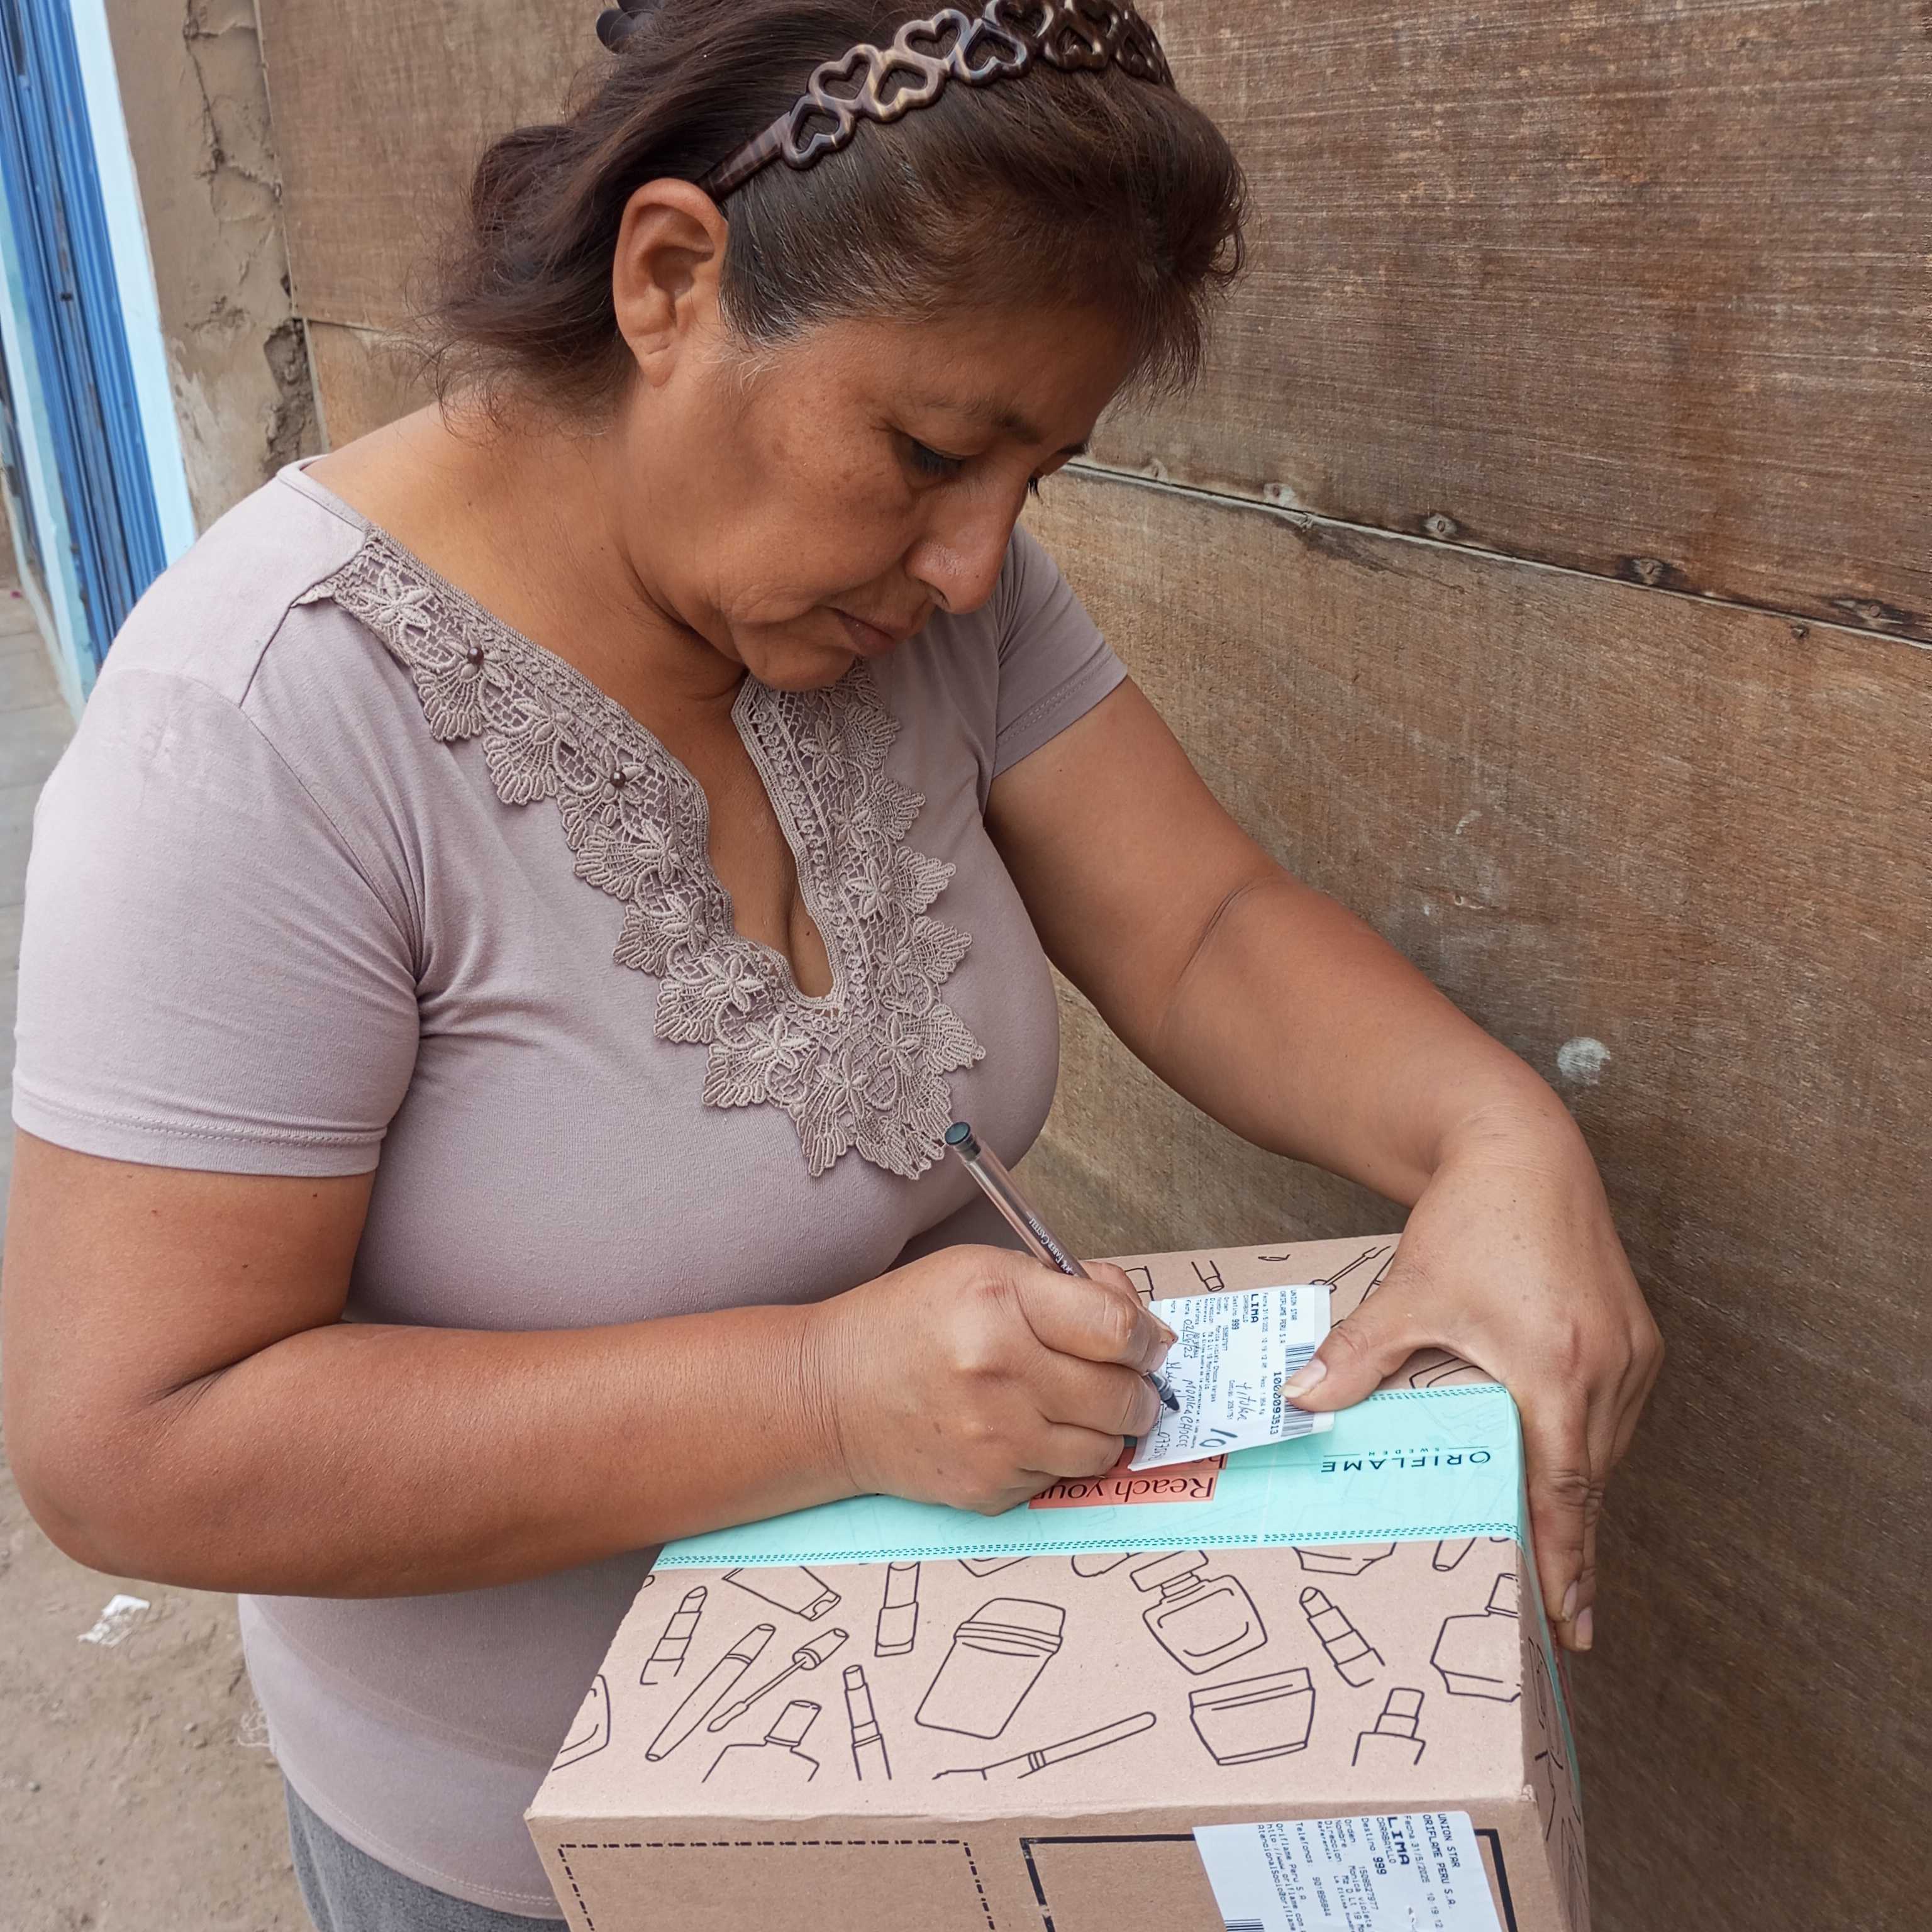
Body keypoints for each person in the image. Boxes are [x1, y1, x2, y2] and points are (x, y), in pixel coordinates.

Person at [1, 3, 1661, 1925]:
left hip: (973, 1752)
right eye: (932, 452)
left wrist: (1497, 1139)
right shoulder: (267, 722)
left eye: (1035, 478)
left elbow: (1202, 927)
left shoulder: (920, 602)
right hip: (532, 1858)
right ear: (670, 279)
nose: (974, 563)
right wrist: (816, 1398)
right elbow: (135, 1440)